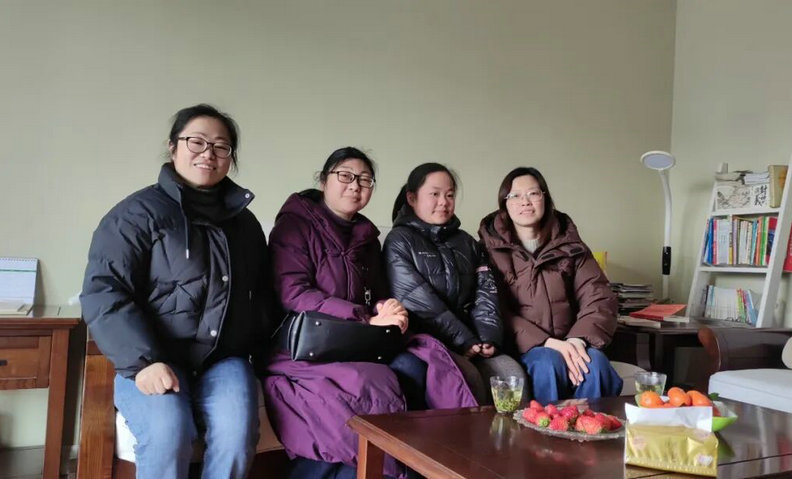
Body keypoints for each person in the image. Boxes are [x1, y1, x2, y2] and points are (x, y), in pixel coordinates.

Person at [263, 147, 476, 479]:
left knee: (424, 362)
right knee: (364, 387)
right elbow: (294, 293)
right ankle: (374, 467)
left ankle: (442, 461)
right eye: (345, 176)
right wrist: (364, 317)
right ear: (323, 181)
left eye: (364, 179)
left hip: (358, 340)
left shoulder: (367, 237)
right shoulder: (294, 227)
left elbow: (377, 294)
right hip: (309, 345)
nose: (355, 185)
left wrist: (386, 307)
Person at [80, 104, 269, 478]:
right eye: (197, 142)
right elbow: (104, 291)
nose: (208, 154)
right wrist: (142, 362)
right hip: (154, 356)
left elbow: (262, 295)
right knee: (169, 433)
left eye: (221, 146)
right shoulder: (136, 214)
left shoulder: (245, 224)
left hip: (222, 359)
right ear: (173, 146)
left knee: (237, 435)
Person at [478, 167, 622, 404]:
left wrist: (577, 340)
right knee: (548, 362)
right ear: (505, 204)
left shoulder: (572, 245)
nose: (525, 202)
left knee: (594, 363)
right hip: (523, 347)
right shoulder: (488, 251)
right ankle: (543, 428)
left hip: (572, 340)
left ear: (545, 197)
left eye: (533, 193)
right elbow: (494, 310)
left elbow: (599, 296)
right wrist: (546, 342)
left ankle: (592, 427)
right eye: (515, 196)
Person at [383, 163, 525, 404]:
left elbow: (485, 292)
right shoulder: (399, 241)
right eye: (434, 194)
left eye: (449, 195)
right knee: (466, 376)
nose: (444, 202)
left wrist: (487, 337)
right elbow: (418, 300)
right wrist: (463, 340)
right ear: (412, 198)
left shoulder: (467, 242)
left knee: (511, 373)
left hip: (470, 340)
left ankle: (511, 431)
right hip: (424, 338)